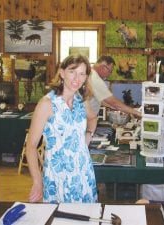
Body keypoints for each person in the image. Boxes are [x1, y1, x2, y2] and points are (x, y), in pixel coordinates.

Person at [26, 55, 98, 203]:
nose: (76, 78)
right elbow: (31, 146)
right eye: (72, 71)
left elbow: (92, 118)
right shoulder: (47, 104)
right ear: (62, 72)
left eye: (82, 74)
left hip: (83, 172)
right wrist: (37, 183)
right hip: (58, 175)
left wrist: (88, 134)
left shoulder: (81, 100)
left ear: (86, 78)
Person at [86, 55, 141, 134]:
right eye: (110, 71)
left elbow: (99, 99)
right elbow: (114, 102)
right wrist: (137, 113)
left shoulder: (91, 74)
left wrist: (114, 107)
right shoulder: (95, 79)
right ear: (103, 67)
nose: (109, 74)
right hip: (85, 120)